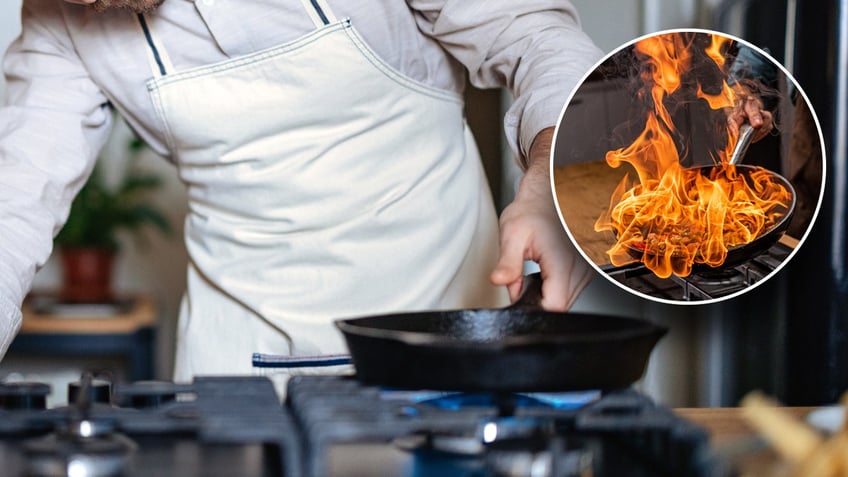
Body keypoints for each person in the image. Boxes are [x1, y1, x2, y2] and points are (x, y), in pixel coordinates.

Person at [0, 0, 603, 388]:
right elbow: (14, 204)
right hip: (236, 379)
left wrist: (557, 180)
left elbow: (537, 39)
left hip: (445, 352)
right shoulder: (58, 21)